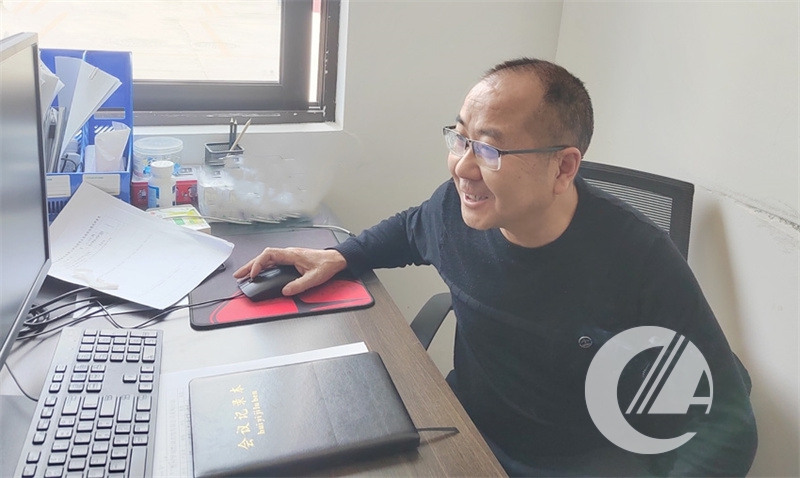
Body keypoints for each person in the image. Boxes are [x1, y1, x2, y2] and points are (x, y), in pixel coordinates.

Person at [234, 58, 758, 476]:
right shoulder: (456, 210)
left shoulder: (639, 258)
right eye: (460, 138)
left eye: (488, 149)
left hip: (579, 463)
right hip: (468, 432)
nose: (462, 166)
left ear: (563, 167)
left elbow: (726, 427)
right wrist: (343, 255)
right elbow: (413, 227)